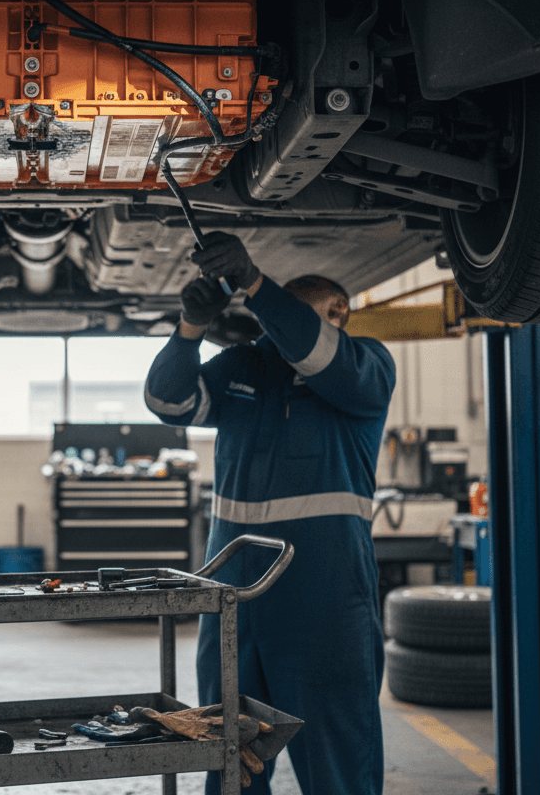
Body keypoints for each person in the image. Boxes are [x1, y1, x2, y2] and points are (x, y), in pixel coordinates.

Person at [144, 233, 395, 795]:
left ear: (338, 316)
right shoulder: (244, 371)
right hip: (233, 603)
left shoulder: (365, 369)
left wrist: (257, 285)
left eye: (291, 310)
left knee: (338, 761)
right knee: (228, 757)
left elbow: (317, 348)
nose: (272, 320)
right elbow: (167, 402)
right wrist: (190, 329)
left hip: (324, 603)